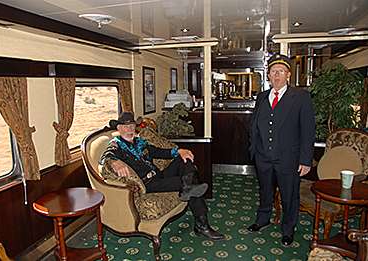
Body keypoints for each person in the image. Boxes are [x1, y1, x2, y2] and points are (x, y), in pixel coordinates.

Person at [100, 112, 225, 241]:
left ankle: (188, 187)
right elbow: (104, 157)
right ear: (118, 128)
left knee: (183, 160)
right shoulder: (116, 144)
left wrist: (178, 151)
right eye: (125, 127)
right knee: (190, 184)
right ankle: (202, 225)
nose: (129, 130)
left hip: (158, 175)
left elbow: (159, 152)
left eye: (132, 126)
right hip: (147, 184)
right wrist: (115, 161)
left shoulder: (140, 142)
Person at [247, 54, 315, 247]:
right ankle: (263, 219)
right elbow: (255, 125)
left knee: (290, 195)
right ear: (268, 75)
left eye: (281, 71)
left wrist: (306, 160)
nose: (277, 75)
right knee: (265, 191)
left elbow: (308, 131)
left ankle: (288, 229)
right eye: (273, 71)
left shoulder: (301, 97)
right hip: (263, 156)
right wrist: (254, 149)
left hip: (289, 157)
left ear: (288, 75)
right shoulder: (261, 97)